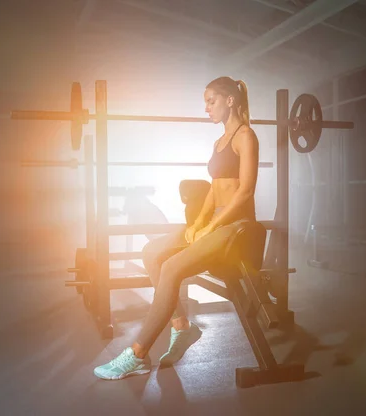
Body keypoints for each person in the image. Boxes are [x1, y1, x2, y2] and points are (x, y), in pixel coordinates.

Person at [94, 76, 260, 380]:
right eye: (205, 102)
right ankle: (182, 327)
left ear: (230, 101)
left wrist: (213, 227)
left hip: (237, 229)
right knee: (151, 252)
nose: (207, 108)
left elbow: (246, 191)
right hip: (216, 222)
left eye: (211, 101)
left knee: (170, 267)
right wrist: (198, 223)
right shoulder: (219, 141)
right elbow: (214, 189)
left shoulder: (245, 136)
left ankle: (137, 354)